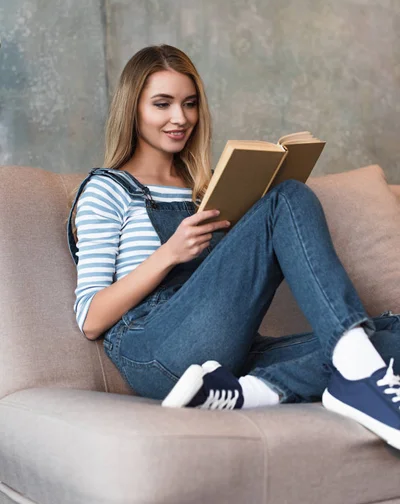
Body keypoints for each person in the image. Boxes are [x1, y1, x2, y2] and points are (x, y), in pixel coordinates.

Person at [67, 44, 400, 451]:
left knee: (390, 331)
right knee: (287, 198)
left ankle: (252, 392)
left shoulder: (205, 187)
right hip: (154, 348)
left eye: (189, 104)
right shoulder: (108, 189)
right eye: (162, 104)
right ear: (132, 109)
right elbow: (90, 318)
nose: (180, 118)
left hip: (228, 353)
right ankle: (360, 380)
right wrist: (169, 252)